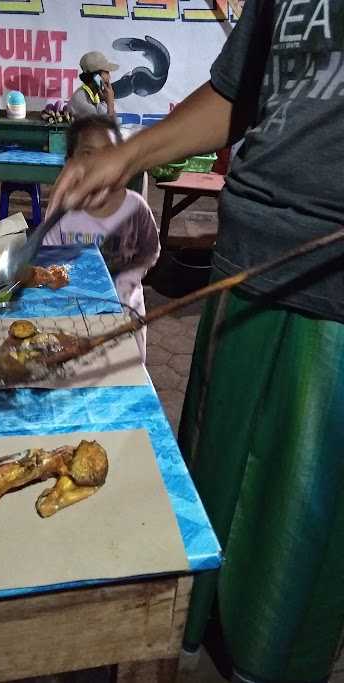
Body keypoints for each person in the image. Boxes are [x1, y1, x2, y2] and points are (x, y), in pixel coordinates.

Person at [49, 2, 344, 682]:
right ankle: (191, 646)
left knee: (300, 528)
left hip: (332, 298)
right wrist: (123, 154)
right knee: (212, 488)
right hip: (245, 260)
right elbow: (237, 93)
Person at [44, 115, 159, 362]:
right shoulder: (62, 213)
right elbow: (49, 258)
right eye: (88, 153)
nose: (99, 162)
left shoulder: (135, 207)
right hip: (75, 314)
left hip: (127, 313)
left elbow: (150, 250)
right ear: (69, 163)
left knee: (127, 372)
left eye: (109, 152)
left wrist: (126, 279)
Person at [68, 51, 118, 119]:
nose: (109, 77)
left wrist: (106, 101)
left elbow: (115, 123)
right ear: (96, 76)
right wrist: (110, 103)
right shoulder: (81, 99)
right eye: (106, 72)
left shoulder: (97, 95)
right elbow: (107, 127)